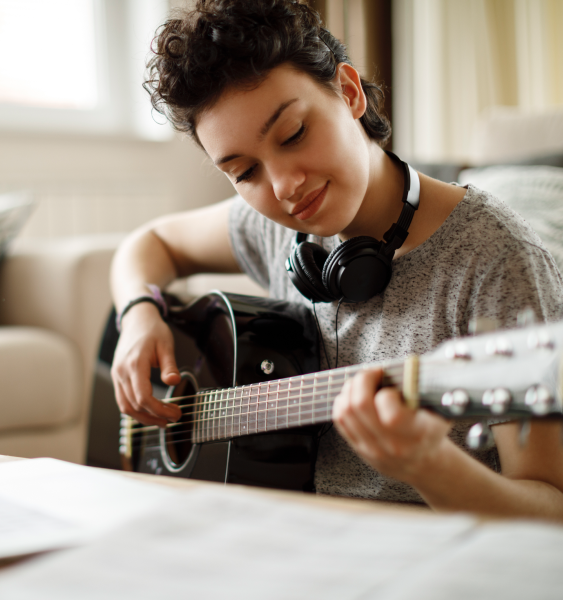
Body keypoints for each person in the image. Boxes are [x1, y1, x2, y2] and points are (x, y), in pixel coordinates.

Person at [110, 0, 563, 518]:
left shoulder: (497, 259)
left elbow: (551, 512)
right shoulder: (273, 228)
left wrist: (430, 466)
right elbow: (148, 244)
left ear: (348, 92)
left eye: (294, 134)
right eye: (245, 173)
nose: (284, 186)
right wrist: (139, 315)